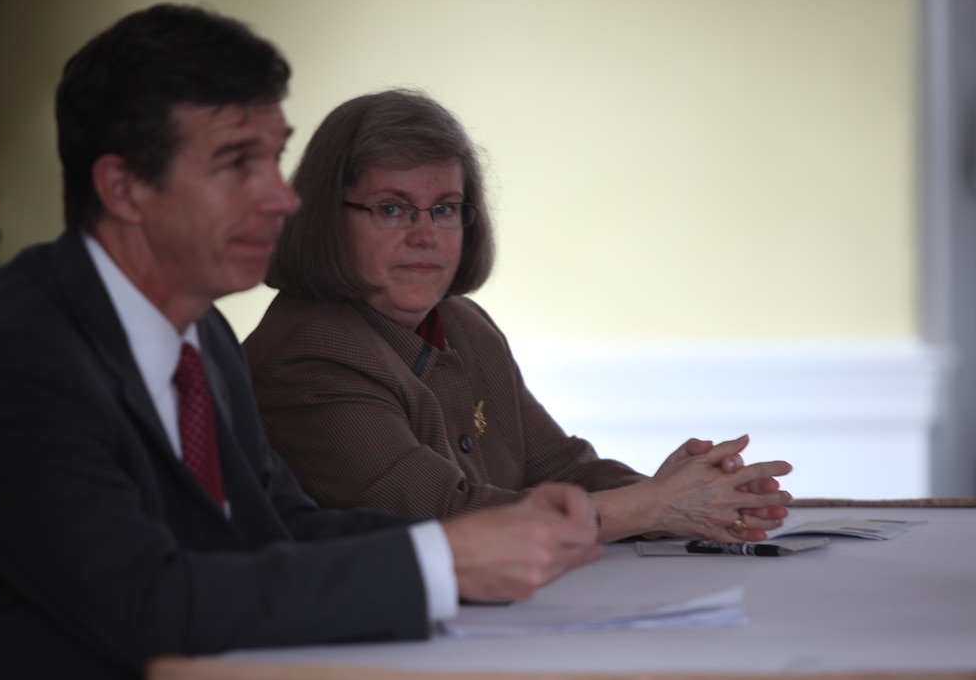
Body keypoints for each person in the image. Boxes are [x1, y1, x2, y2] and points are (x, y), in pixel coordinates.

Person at [0, 7, 603, 680]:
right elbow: (148, 606)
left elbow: (281, 530)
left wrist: (464, 541)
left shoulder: (203, 335)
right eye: (236, 163)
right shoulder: (13, 353)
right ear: (123, 188)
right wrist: (443, 563)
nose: (282, 197)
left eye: (275, 157)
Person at [244, 88, 794, 544]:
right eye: (392, 208)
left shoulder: (464, 323)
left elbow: (559, 466)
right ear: (325, 219)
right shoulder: (308, 353)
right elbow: (446, 517)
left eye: (445, 209)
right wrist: (652, 507)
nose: (426, 236)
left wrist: (689, 495)